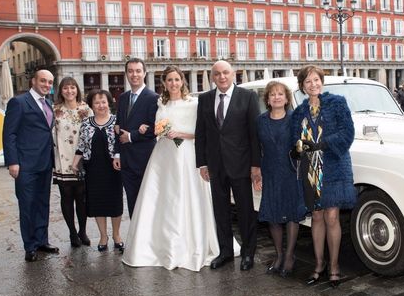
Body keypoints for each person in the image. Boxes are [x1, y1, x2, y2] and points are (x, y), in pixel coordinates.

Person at [123, 66, 221, 271]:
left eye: (177, 79)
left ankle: (189, 246)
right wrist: (155, 130)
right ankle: (156, 246)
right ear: (164, 83)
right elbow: (156, 127)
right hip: (163, 156)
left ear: (182, 81)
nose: (173, 83)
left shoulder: (193, 103)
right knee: (162, 198)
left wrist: (180, 134)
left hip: (186, 155)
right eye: (169, 80)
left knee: (186, 197)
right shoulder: (161, 102)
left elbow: (201, 132)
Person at [291, 65, 356, 288]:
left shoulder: (337, 102)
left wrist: (324, 144)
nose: (313, 84)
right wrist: (298, 147)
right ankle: (318, 265)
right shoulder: (299, 112)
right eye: (308, 82)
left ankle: (335, 267)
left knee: (331, 217)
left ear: (322, 81)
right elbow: (294, 139)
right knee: (316, 217)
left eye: (316, 80)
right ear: (302, 86)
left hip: (334, 165)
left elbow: (348, 132)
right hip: (311, 169)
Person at [195, 60, 261, 271]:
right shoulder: (204, 99)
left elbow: (254, 134)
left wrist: (255, 165)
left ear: (233, 74)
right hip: (215, 164)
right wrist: (202, 163)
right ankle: (225, 252)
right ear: (212, 77)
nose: (221, 77)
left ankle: (248, 253)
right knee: (220, 210)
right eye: (217, 74)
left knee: (245, 211)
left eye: (225, 73)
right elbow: (201, 133)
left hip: (241, 164)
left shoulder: (248, 97)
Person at [3, 69, 60, 262]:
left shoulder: (49, 103)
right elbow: (9, 134)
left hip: (45, 163)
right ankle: (30, 246)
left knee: (43, 204)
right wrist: (12, 162)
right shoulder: (18, 102)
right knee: (27, 205)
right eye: (43, 81)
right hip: (25, 165)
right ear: (33, 81)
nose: (47, 85)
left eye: (50, 82)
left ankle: (42, 240)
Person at [256, 81, 307, 277]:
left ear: (286, 99)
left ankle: (289, 256)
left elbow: (302, 146)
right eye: (272, 94)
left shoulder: (295, 119)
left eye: (280, 94)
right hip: (269, 171)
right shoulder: (260, 121)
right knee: (273, 214)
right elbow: (256, 148)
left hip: (291, 172)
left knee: (291, 214)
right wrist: (256, 172)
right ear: (267, 99)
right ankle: (278, 255)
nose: (276, 97)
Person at [73, 90, 123, 251]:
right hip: (93, 169)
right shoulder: (86, 123)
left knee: (115, 203)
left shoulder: (117, 121)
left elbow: (123, 143)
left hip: (113, 169)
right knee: (97, 203)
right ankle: (103, 236)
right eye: (97, 102)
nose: (101, 105)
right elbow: (81, 146)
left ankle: (116, 234)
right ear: (92, 106)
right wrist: (74, 164)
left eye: (103, 102)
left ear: (109, 103)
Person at [113, 58, 158, 218]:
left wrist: (132, 136)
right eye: (130, 71)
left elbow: (155, 129)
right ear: (126, 74)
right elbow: (118, 126)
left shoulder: (153, 97)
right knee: (132, 202)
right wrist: (117, 154)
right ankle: (135, 238)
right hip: (125, 161)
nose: (134, 74)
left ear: (144, 73)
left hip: (144, 160)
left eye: (138, 71)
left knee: (147, 202)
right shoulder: (123, 97)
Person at [52, 77, 92, 247]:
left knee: (82, 198)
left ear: (77, 89)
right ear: (61, 91)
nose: (69, 91)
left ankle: (83, 231)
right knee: (66, 197)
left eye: (72, 88)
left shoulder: (86, 109)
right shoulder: (54, 110)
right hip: (62, 158)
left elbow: (92, 132)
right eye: (66, 88)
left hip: (81, 159)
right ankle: (72, 233)